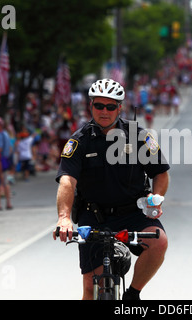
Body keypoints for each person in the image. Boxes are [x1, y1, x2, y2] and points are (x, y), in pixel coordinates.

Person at [53, 78, 170, 300]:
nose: (104, 111)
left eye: (110, 106)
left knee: (159, 242)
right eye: (99, 105)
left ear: (120, 107)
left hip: (134, 212)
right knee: (91, 287)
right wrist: (64, 218)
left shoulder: (139, 136)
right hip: (94, 215)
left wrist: (156, 197)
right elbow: (67, 181)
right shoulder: (79, 141)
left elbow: (160, 173)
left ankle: (133, 294)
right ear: (91, 106)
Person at [0, 117, 13, 210]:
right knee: (5, 182)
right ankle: (8, 203)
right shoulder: (6, 134)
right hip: (5, 160)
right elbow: (10, 149)